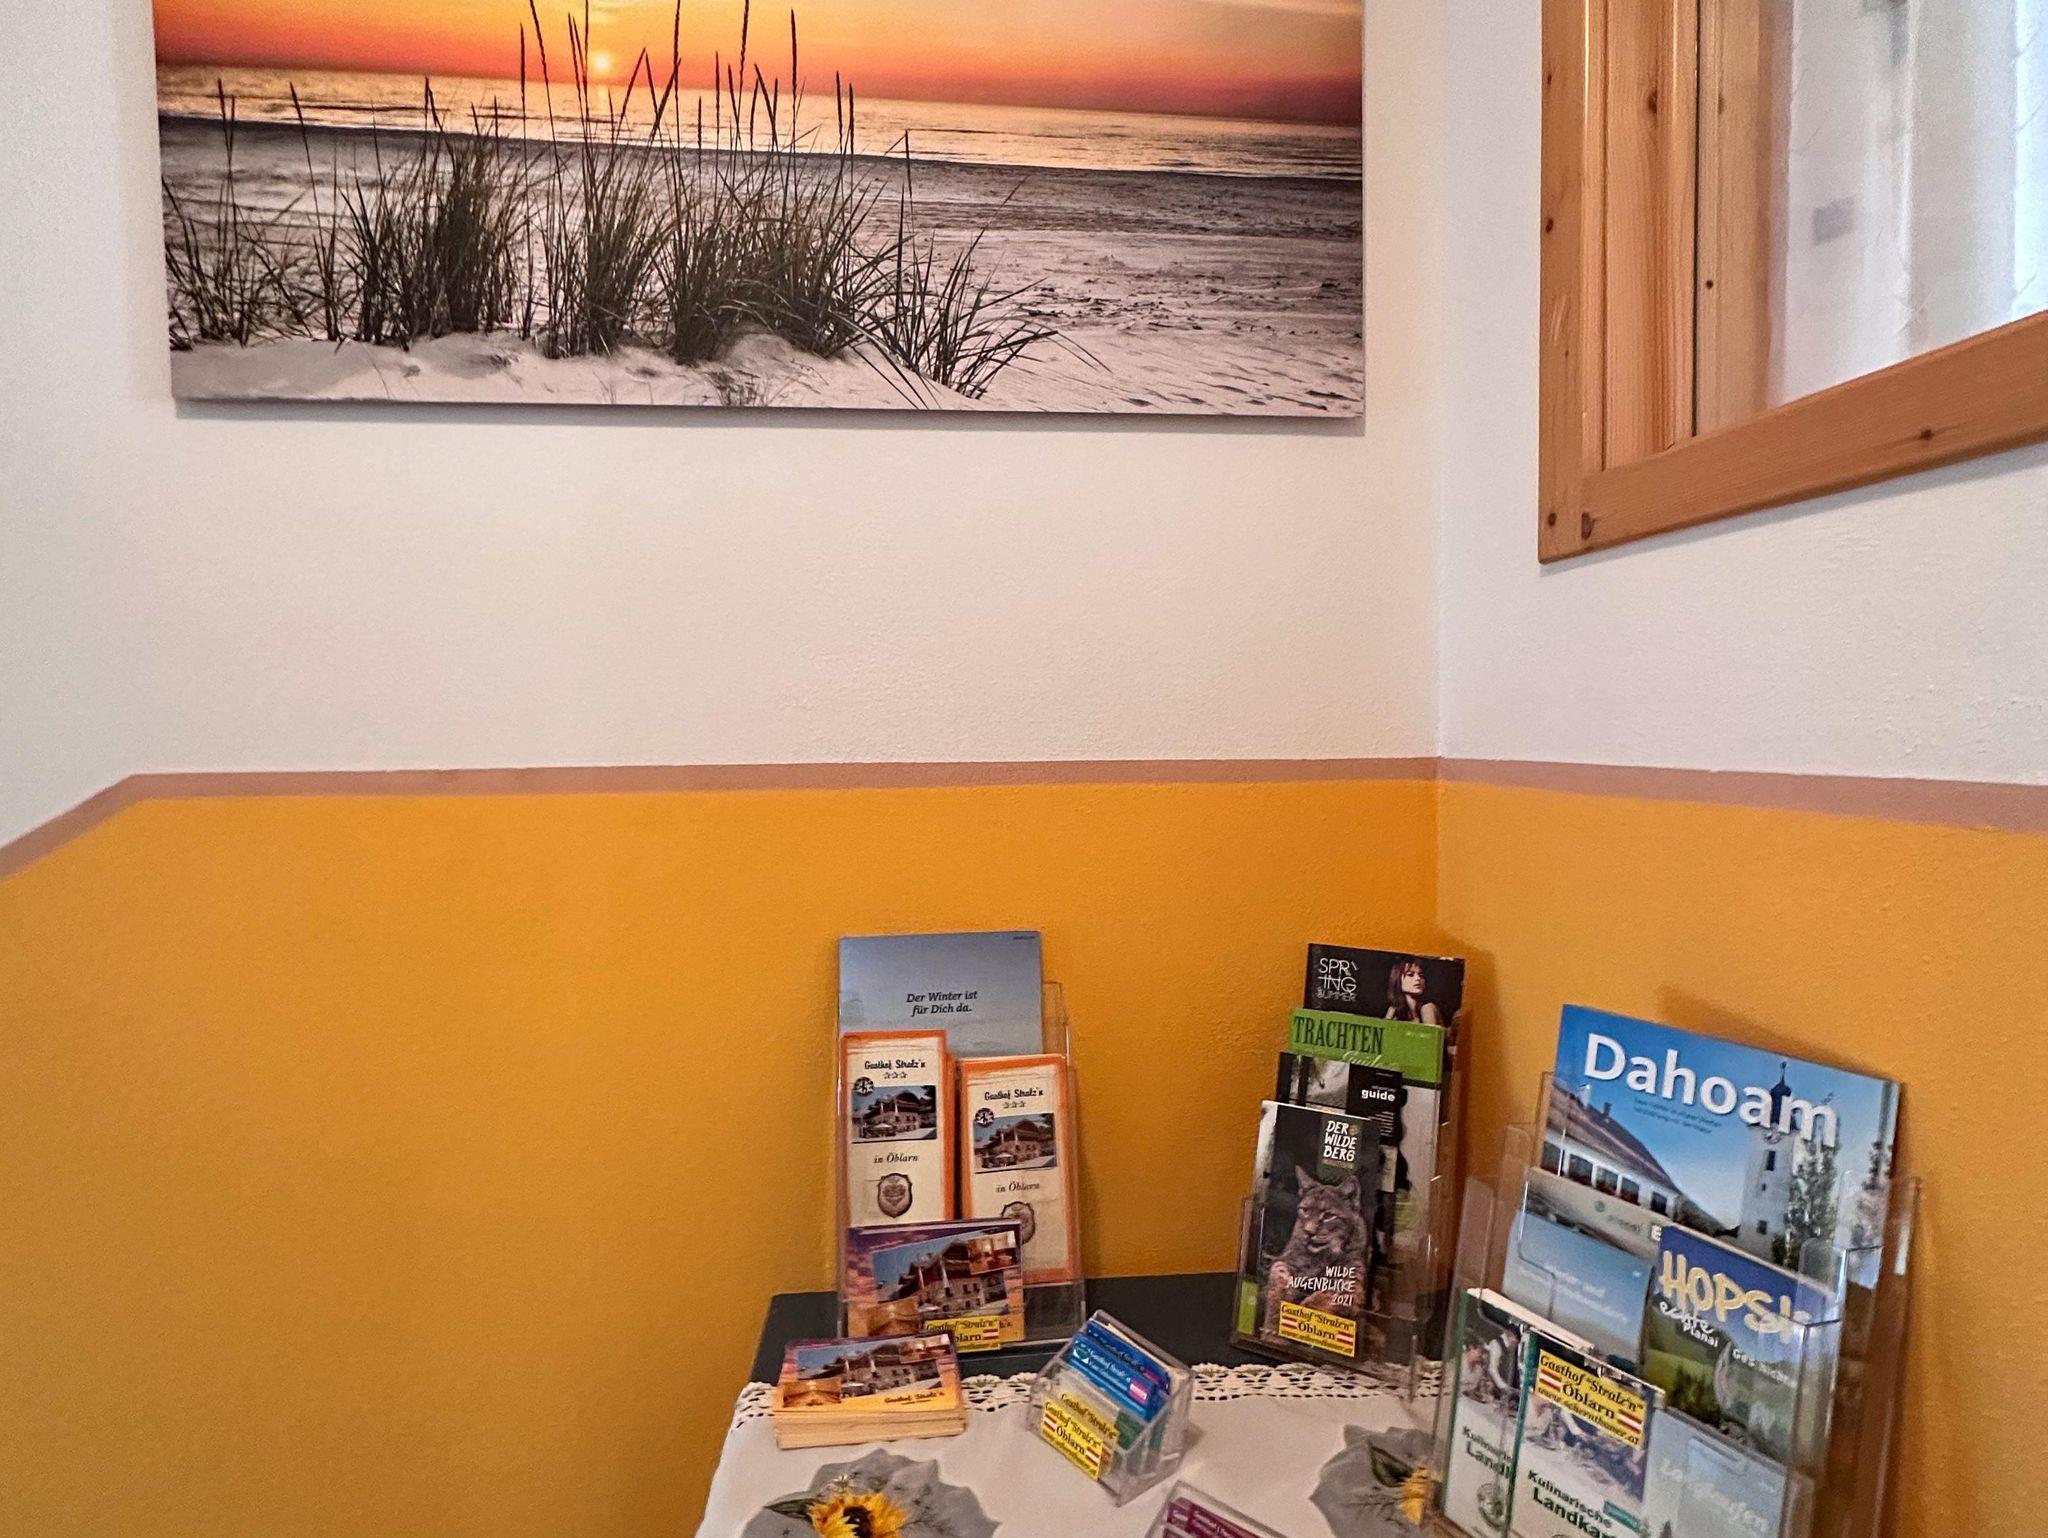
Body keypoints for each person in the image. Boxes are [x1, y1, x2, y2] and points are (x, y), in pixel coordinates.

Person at [1385, 957, 1444, 1024]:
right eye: (1410, 975)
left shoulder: (1428, 1008)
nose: (1418, 978)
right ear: (1398, 979)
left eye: (1421, 975)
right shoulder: (1394, 1010)